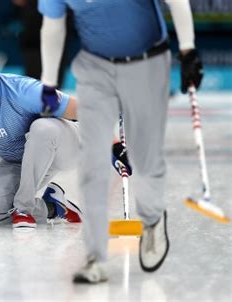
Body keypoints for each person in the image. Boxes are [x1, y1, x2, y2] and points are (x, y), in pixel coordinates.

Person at [38, 0, 203, 283]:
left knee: (144, 156)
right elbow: (53, 24)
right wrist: (49, 83)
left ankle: (152, 218)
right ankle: (95, 257)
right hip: (95, 66)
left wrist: (187, 49)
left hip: (148, 62)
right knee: (92, 162)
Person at [0, 41, 129, 230]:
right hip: (19, 161)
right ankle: (53, 207)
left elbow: (80, 110)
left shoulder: (23, 90)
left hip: (63, 145)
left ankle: (24, 209)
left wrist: (112, 145)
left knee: (42, 128)